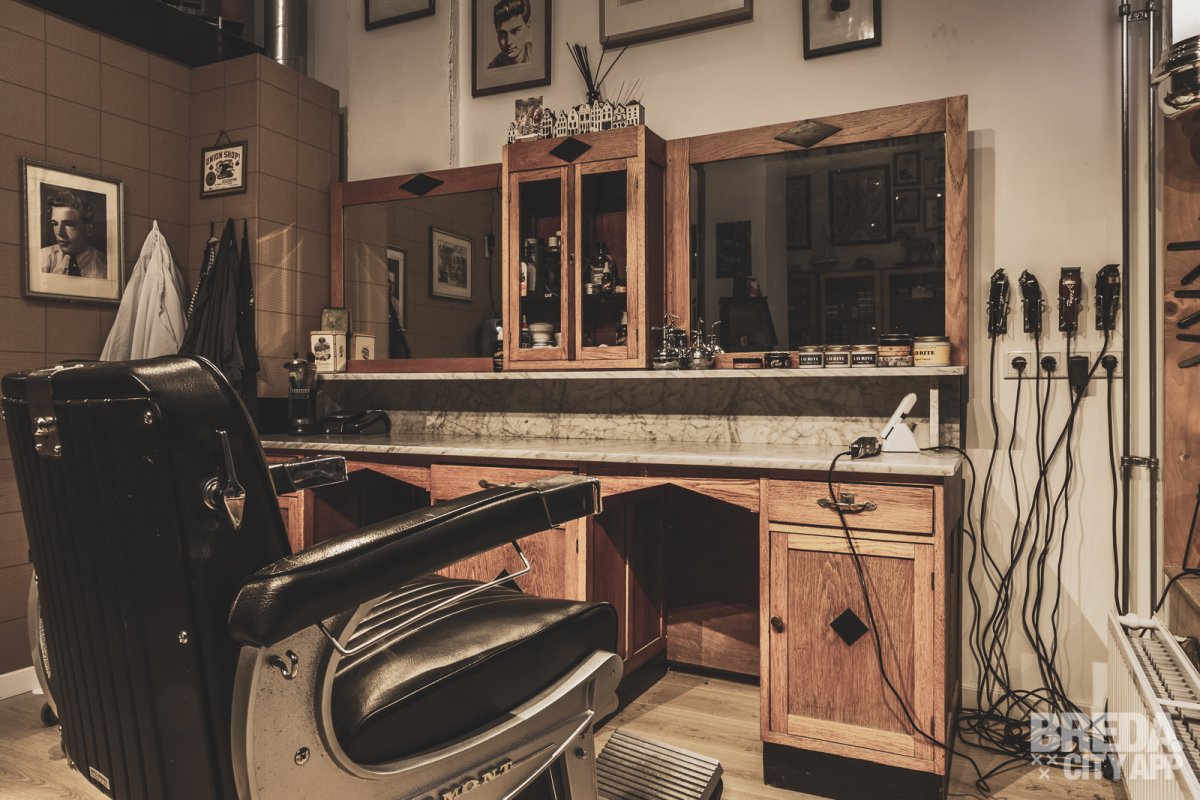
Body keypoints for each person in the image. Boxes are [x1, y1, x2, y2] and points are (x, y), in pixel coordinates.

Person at [40, 189, 106, 278]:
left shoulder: (105, 267)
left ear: (88, 229)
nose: (59, 233)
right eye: (55, 224)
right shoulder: (44, 257)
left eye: (69, 225)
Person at [487, 0, 533, 69]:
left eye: (515, 31)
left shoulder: (539, 55)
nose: (509, 42)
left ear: (528, 26)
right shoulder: (492, 68)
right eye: (502, 34)